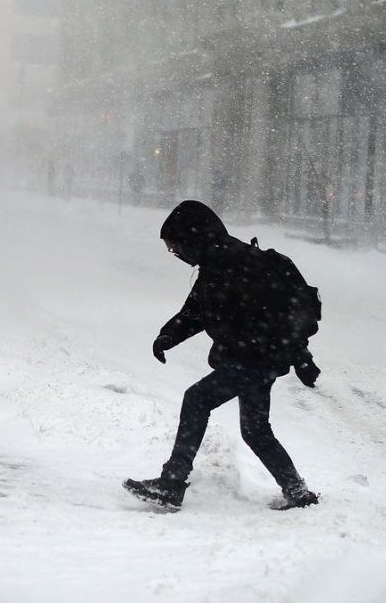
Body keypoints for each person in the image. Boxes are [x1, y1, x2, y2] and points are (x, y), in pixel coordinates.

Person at [124, 200, 322, 511]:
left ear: (193, 237)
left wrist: (301, 357)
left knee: (196, 399)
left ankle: (172, 483)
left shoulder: (237, 264)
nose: (175, 254)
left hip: (255, 359)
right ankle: (298, 492)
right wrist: (168, 336)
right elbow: (195, 312)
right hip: (257, 359)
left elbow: (276, 312)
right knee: (256, 431)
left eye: (175, 246)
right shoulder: (215, 264)